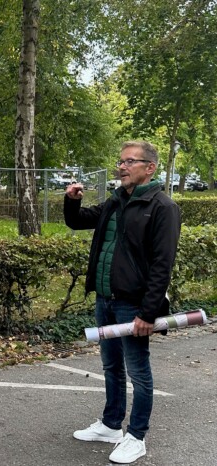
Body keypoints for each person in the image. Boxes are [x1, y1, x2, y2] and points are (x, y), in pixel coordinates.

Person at [64, 141, 181, 464]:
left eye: (130, 162)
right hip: (106, 299)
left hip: (133, 306)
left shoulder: (162, 208)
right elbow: (79, 221)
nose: (122, 167)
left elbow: (162, 265)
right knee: (111, 366)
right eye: (120, 161)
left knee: (138, 372)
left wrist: (148, 312)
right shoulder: (116, 202)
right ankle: (111, 425)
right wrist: (72, 202)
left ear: (150, 168)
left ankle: (136, 436)